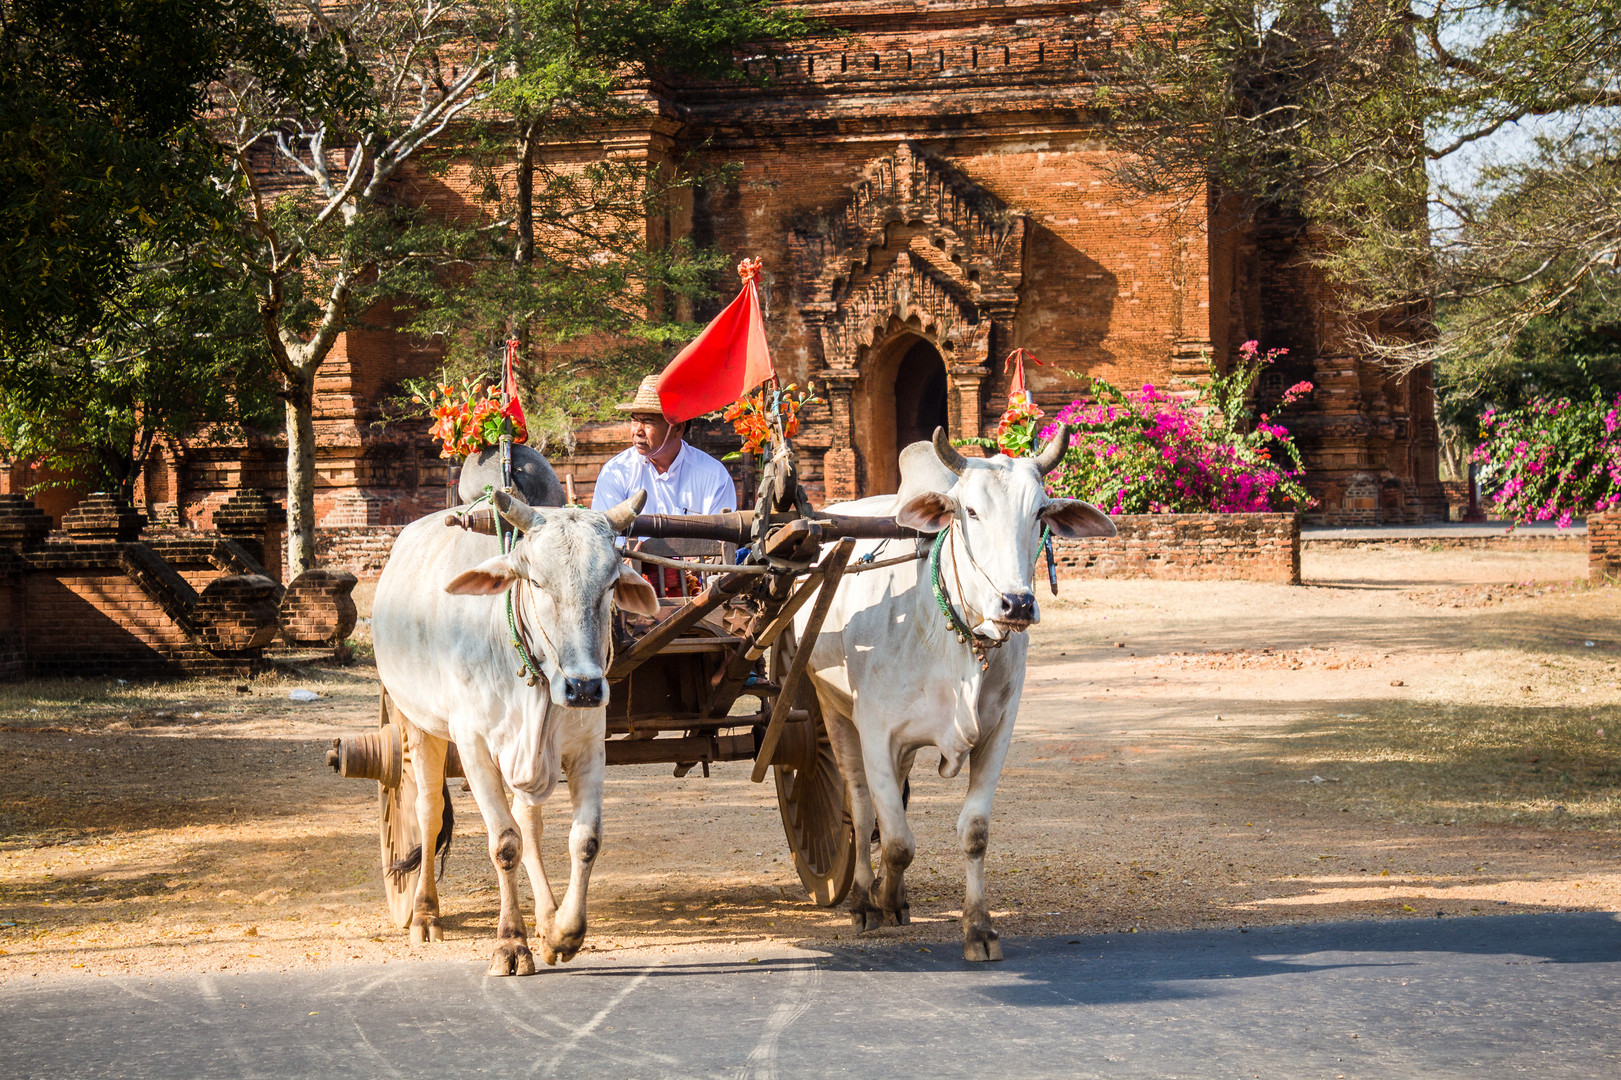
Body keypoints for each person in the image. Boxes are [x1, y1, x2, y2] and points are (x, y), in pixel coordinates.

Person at [592, 374, 737, 519]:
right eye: (634, 421)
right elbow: (604, 533)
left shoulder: (713, 475)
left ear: (677, 428)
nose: (637, 431)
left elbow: (721, 538)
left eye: (648, 422)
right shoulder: (617, 471)